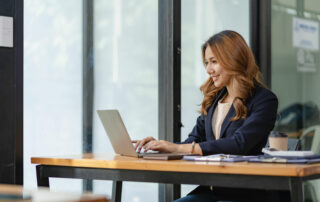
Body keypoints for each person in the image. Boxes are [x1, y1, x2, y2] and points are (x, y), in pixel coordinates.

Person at [133, 30, 288, 201]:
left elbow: (239, 144)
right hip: (212, 189)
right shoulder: (214, 99)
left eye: (214, 62)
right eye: (206, 63)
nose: (208, 70)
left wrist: (179, 148)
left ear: (234, 59)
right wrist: (162, 146)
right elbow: (192, 142)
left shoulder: (264, 100)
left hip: (246, 193)